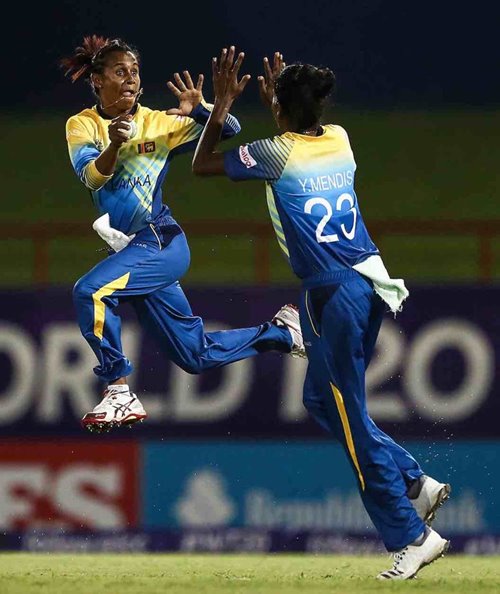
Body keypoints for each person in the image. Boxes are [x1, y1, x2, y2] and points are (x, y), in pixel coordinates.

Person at [191, 46, 451, 580]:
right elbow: (295, 137)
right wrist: (281, 110)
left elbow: (202, 165)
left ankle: (413, 535)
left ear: (280, 112)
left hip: (332, 294)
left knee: (351, 418)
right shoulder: (339, 139)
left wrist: (219, 109)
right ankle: (413, 481)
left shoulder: (271, 151)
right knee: (321, 398)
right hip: (372, 280)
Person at [60, 36, 306, 434]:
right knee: (194, 356)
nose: (130, 79)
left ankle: (118, 387)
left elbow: (230, 128)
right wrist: (116, 145)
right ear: (97, 81)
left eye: (135, 72)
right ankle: (281, 333)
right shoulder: (84, 124)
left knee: (90, 291)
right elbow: (92, 175)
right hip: (135, 252)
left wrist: (201, 109)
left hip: (160, 240)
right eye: (119, 72)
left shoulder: (160, 123)